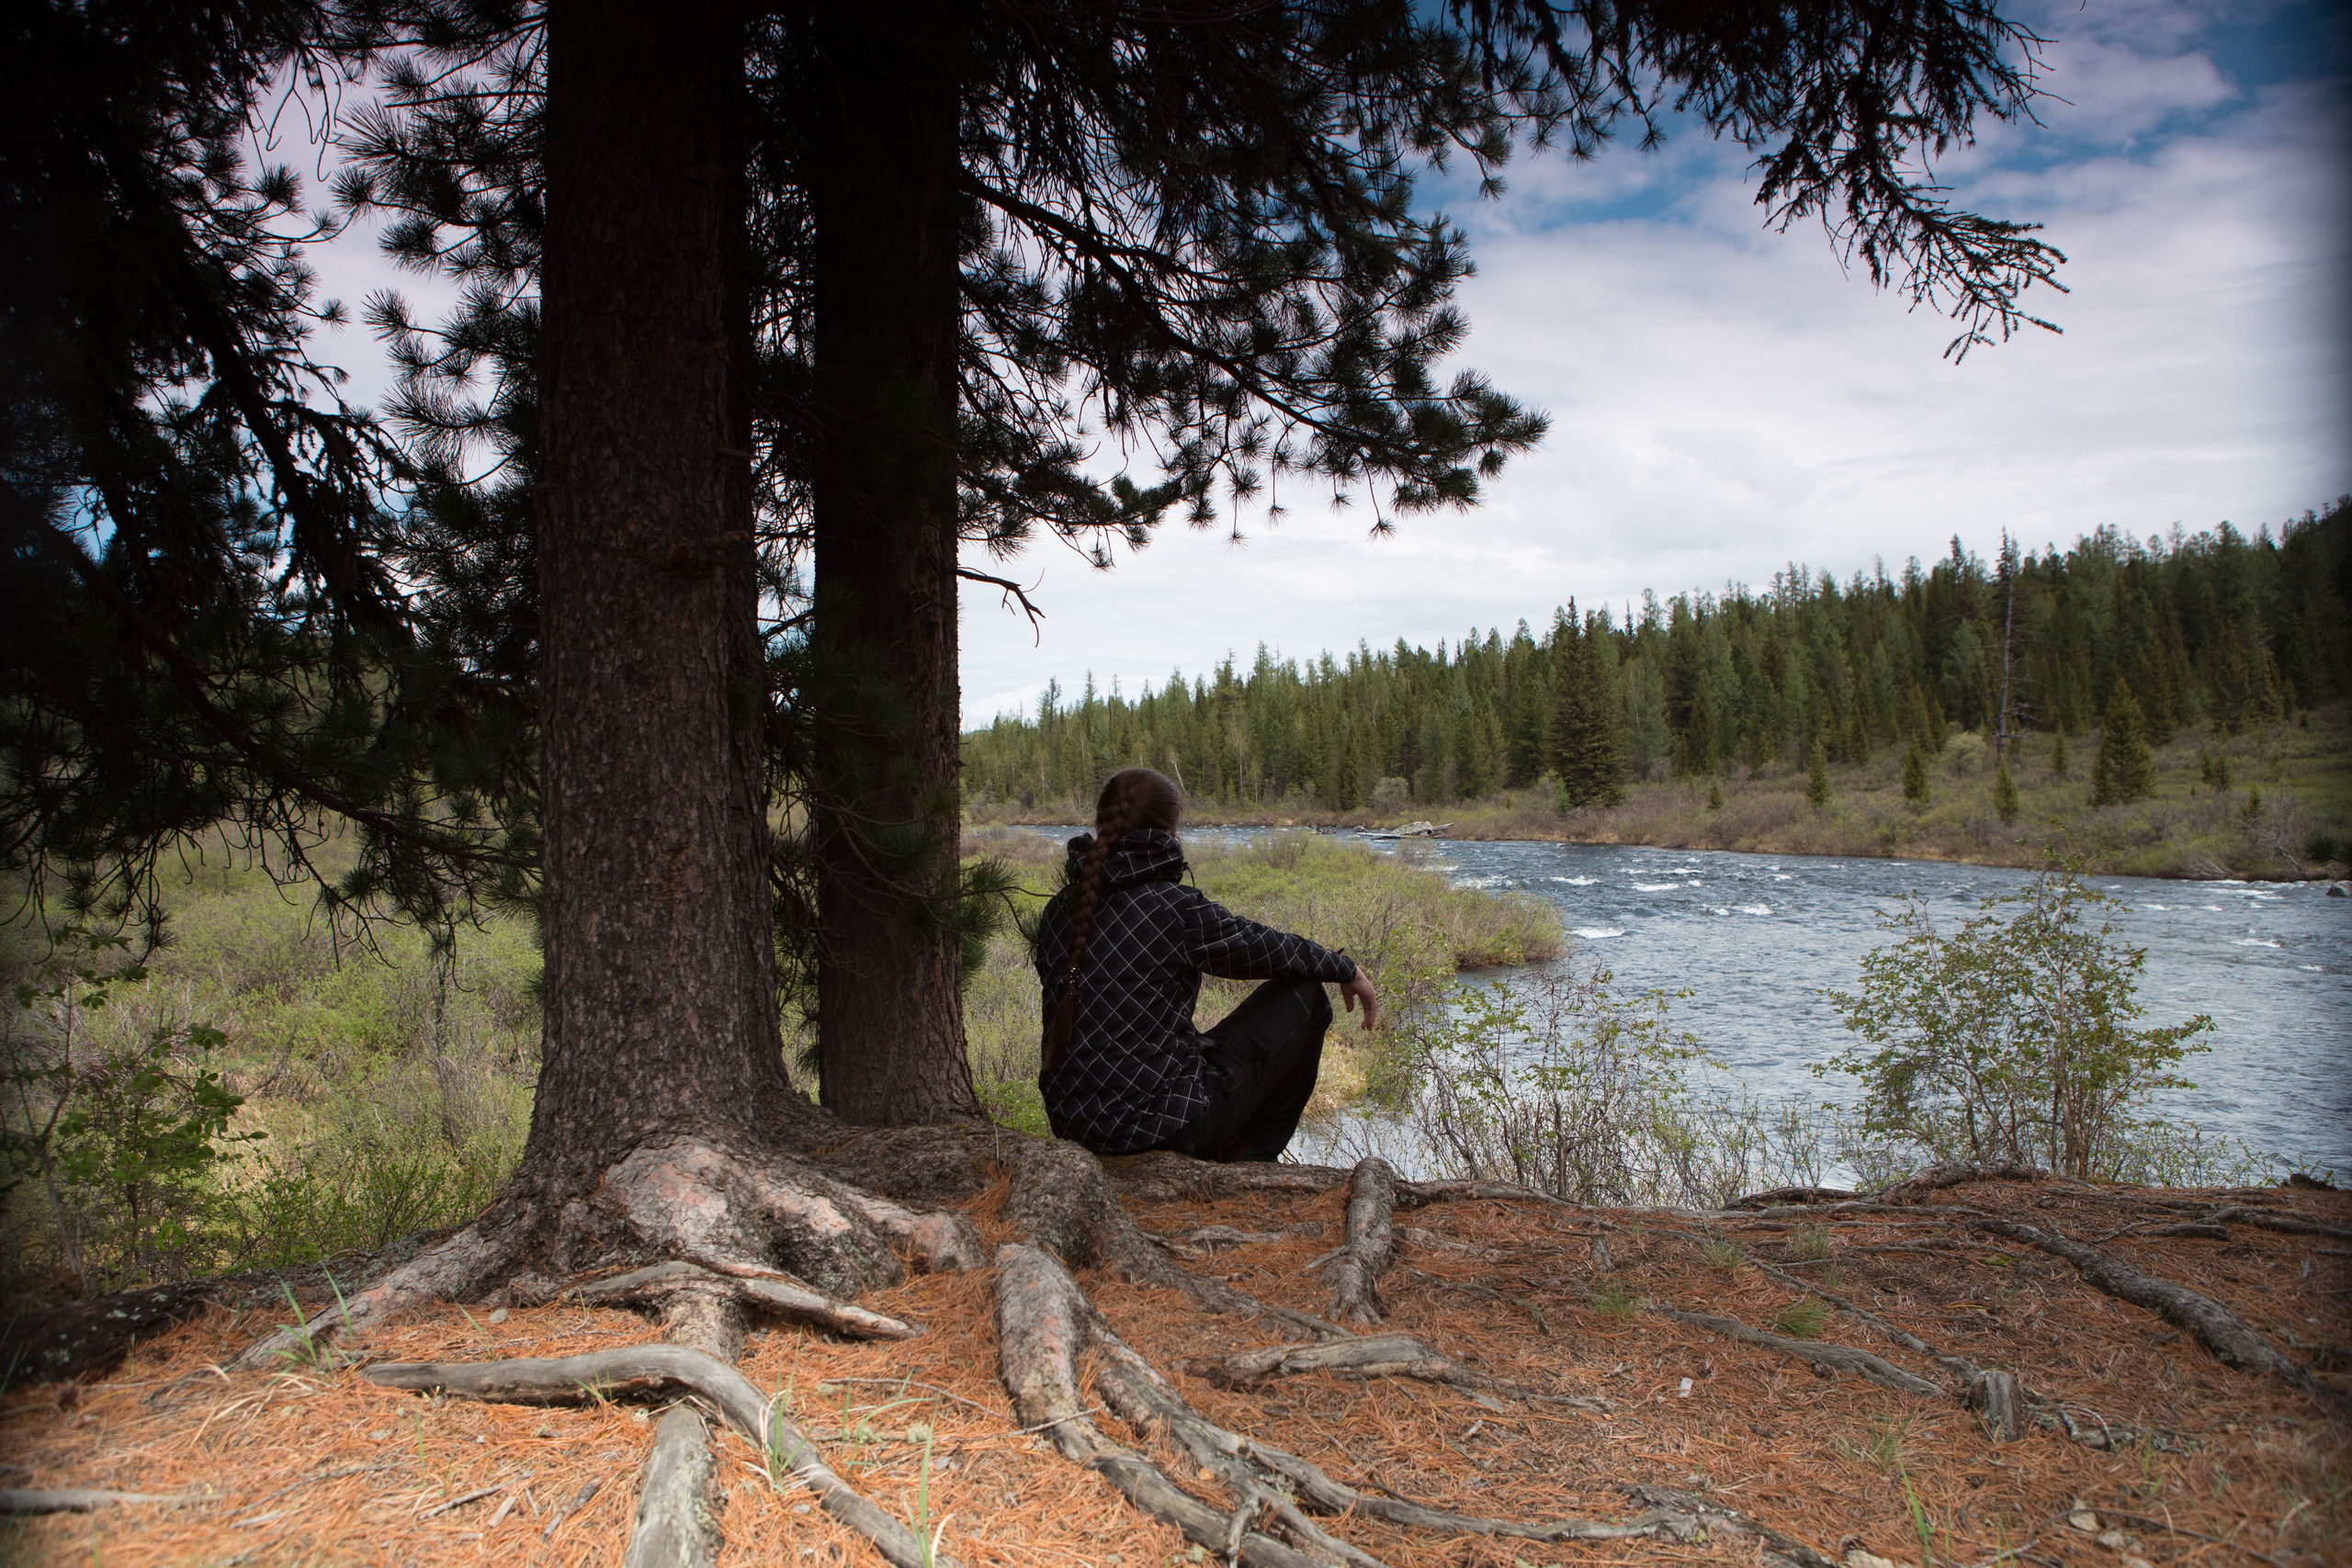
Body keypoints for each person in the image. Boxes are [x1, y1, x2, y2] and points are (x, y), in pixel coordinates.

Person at [1033, 767, 1377, 1161]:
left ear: (1102, 826)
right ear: (1169, 833)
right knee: (1307, 994)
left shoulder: (1058, 910)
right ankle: (1248, 1152)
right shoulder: (1174, 909)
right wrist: (1344, 968)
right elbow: (1263, 947)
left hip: (1073, 1126)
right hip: (1157, 1128)